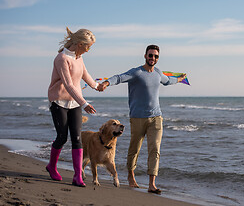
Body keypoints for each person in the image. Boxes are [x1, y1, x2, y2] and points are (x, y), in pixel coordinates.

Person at [98, 45, 186, 194]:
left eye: (156, 56)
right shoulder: (136, 72)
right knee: (135, 149)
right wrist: (106, 83)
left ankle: (152, 184)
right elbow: (119, 77)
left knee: (155, 149)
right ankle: (131, 176)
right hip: (138, 118)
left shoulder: (158, 72)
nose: (153, 58)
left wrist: (179, 79)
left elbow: (167, 81)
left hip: (156, 118)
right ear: (145, 56)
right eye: (150, 55)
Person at [47, 27, 99, 187]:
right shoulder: (61, 58)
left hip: (75, 102)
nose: (88, 50)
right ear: (79, 43)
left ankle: (78, 176)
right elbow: (69, 84)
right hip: (59, 101)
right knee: (62, 137)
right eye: (87, 46)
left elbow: (85, 74)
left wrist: (97, 86)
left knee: (77, 139)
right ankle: (51, 166)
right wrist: (84, 103)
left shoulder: (79, 58)